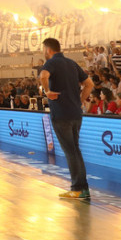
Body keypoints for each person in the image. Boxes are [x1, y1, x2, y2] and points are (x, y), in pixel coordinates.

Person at [39, 38, 94, 200]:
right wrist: (80, 100)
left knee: (71, 152)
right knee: (75, 150)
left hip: (61, 114)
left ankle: (78, 188)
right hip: (76, 114)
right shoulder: (72, 63)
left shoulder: (51, 63)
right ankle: (82, 189)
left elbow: (43, 76)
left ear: (48, 50)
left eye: (43, 49)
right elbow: (89, 84)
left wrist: (47, 91)